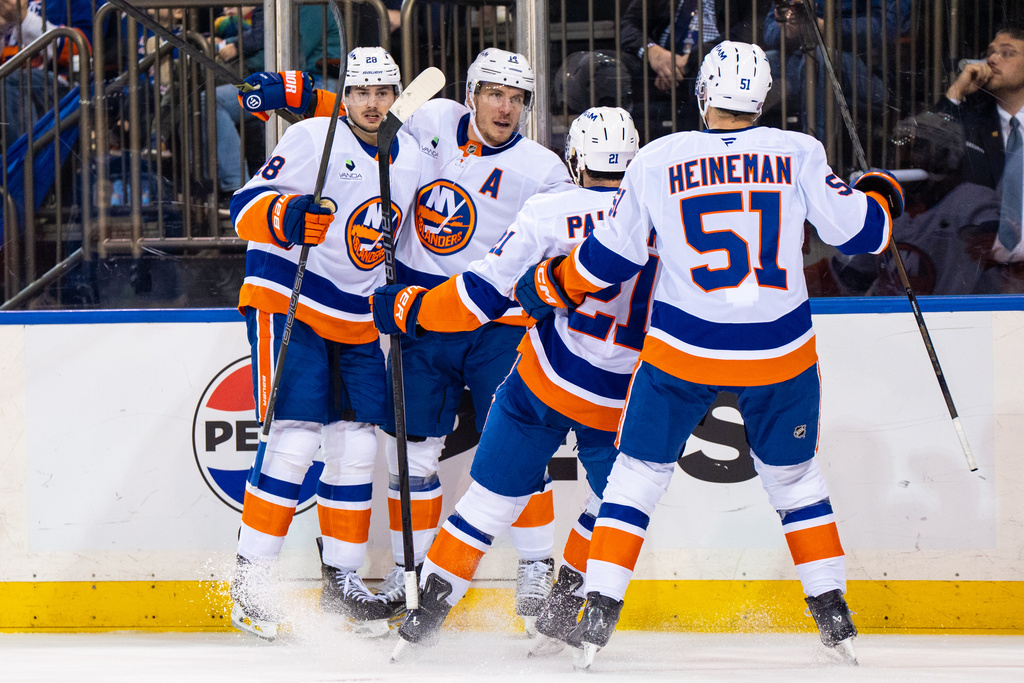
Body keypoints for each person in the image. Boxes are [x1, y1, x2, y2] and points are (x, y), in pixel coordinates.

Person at [525, 41, 903, 669]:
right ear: (765, 96)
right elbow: (862, 237)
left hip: (684, 351)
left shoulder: (656, 159)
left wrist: (554, 282)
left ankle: (596, 613)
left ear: (702, 93)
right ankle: (833, 614)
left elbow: (611, 258)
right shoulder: (799, 151)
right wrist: (881, 194)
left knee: (637, 476)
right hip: (780, 353)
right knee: (795, 480)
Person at [235, 47, 573, 634]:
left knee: (366, 447)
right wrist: (289, 94)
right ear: (470, 94)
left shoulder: (514, 165)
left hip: (465, 317)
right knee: (306, 442)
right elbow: (345, 121)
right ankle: (256, 584)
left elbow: (573, 229)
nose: (505, 106)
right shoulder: (411, 126)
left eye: (517, 98)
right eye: (494, 93)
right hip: (367, 308)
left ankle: (527, 566)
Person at [371, 107, 645, 659]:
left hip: (545, 382)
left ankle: (426, 615)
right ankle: (570, 602)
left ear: (576, 159)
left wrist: (414, 308)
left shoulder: (548, 209)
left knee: (488, 499)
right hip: (623, 391)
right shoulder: (661, 216)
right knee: (618, 501)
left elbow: (483, 293)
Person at [226, 47, 424, 641]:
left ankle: (340, 581)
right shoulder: (314, 137)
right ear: (346, 93)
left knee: (358, 445)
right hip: (291, 294)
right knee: (293, 440)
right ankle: (250, 585)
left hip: (359, 312)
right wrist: (286, 216)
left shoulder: (409, 154)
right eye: (360, 92)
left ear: (395, 97)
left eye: (382, 92)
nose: (370, 104)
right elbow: (243, 210)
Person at [831, 112, 1001, 296]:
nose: (902, 157)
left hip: (951, 320)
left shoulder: (972, 200)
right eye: (899, 146)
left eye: (918, 147)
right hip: (886, 320)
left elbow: (996, 250)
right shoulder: (889, 208)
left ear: (948, 156)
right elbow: (846, 281)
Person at [935, 27, 1024, 286]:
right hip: (977, 273)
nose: (992, 60)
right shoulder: (973, 121)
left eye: (1006, 54)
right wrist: (955, 94)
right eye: (990, 53)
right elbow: (927, 156)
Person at [619, 0, 765, 139]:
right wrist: (652, 51)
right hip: (655, 65)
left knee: (703, 64)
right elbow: (629, 23)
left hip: (716, 66)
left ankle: (697, 150)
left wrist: (695, 57)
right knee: (607, 64)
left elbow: (752, 26)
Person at [762, 0, 910, 134]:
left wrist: (825, 28)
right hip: (804, 58)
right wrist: (788, 31)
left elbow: (885, 27)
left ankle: (819, 157)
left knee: (820, 59)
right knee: (761, 63)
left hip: (868, 70)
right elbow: (769, 30)